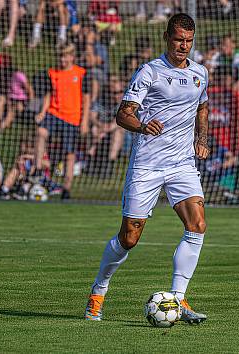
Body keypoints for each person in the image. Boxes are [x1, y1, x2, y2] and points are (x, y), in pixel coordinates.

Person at [85, 13, 210, 324]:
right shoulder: (149, 72)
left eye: (189, 41)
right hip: (148, 163)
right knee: (129, 237)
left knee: (197, 224)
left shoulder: (200, 73)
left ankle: (179, 300)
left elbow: (202, 105)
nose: (184, 46)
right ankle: (99, 289)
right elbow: (122, 114)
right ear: (166, 37)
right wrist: (142, 126)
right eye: (179, 39)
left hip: (182, 162)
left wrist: (202, 139)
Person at [34, 43, 91, 199]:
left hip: (72, 118)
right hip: (54, 113)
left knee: (69, 154)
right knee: (41, 132)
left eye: (65, 56)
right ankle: (38, 170)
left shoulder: (81, 73)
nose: (62, 59)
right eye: (60, 56)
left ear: (72, 56)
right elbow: (48, 95)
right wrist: (42, 112)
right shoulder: (52, 73)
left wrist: (84, 120)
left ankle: (66, 188)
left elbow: (86, 99)